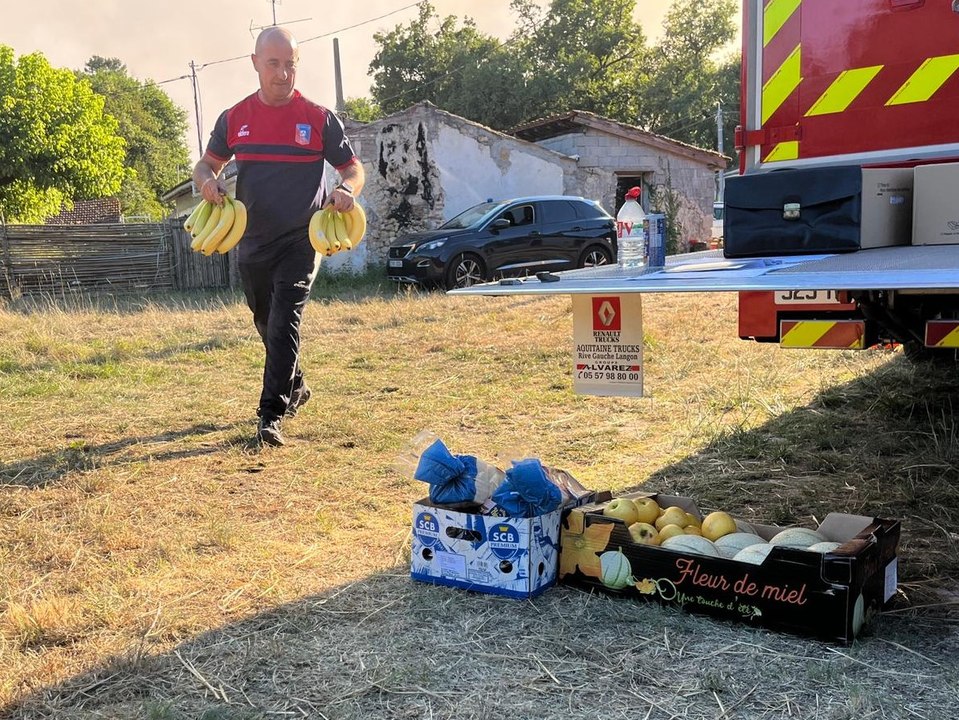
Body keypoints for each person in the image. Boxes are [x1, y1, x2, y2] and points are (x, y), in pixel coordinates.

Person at [192, 26, 365, 447]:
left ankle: (270, 415)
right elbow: (205, 165)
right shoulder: (234, 118)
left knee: (285, 320)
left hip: (301, 239)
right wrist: (207, 183)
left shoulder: (319, 118)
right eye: (274, 64)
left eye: (290, 64)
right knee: (266, 322)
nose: (283, 73)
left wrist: (345, 190)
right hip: (251, 239)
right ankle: (297, 384)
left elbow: (353, 169)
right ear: (255, 63)